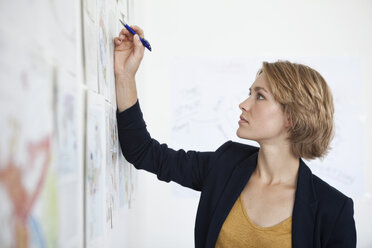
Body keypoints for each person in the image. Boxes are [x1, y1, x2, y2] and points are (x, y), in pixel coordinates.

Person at [113, 26, 357, 248]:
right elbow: (142, 151)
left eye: (259, 96)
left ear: (292, 117)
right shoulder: (225, 164)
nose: (243, 104)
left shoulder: (333, 210)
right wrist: (125, 76)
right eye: (249, 93)